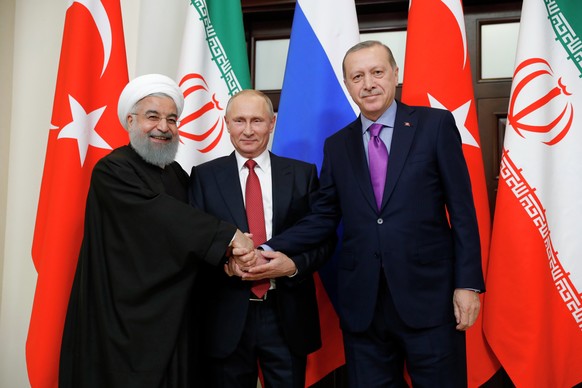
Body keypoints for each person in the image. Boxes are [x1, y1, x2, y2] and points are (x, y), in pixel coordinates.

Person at [257, 41, 485, 387]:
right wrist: (268, 248)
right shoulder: (337, 144)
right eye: (357, 76)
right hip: (363, 307)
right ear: (347, 85)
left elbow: (463, 212)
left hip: (430, 300)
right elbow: (323, 216)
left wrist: (467, 284)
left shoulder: (434, 125)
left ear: (396, 74)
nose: (369, 84)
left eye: (377, 72)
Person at [59, 74, 256, 388]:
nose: (163, 127)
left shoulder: (176, 174)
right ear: (130, 121)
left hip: (174, 316)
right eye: (153, 117)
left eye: (172, 119)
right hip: (123, 323)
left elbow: (187, 238)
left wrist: (226, 262)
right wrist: (227, 236)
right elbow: (161, 218)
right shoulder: (113, 170)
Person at [189, 89, 335, 388]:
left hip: (287, 314)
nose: (248, 130)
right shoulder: (203, 177)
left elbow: (324, 240)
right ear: (226, 124)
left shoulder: (302, 174)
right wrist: (226, 263)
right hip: (226, 317)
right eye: (239, 120)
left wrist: (292, 266)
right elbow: (194, 242)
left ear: (272, 123)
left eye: (257, 120)